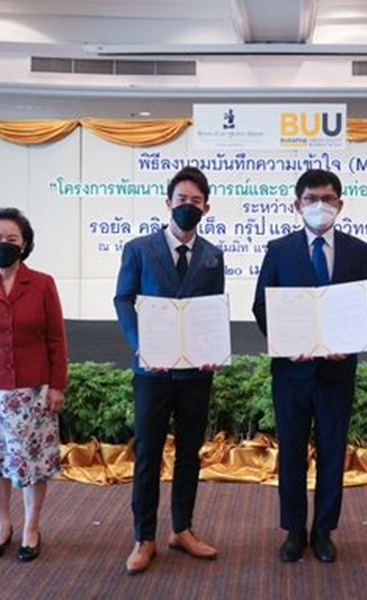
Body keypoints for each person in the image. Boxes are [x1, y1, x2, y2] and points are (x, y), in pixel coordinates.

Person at [252, 169, 367, 564]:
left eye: (327, 198)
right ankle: (294, 531)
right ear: (297, 204)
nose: (319, 206)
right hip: (292, 374)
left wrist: (349, 341)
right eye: (311, 199)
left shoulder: (358, 251)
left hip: (337, 374)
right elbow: (262, 305)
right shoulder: (279, 250)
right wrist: (286, 344)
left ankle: (324, 531)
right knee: (291, 452)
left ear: (340, 204)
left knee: (332, 452)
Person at [114, 166, 225, 575]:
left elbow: (212, 308)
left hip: (196, 373)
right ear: (168, 203)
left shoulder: (213, 255)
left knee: (189, 453)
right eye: (181, 200)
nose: (187, 206)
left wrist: (213, 348)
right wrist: (142, 344)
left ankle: (182, 529)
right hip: (153, 372)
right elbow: (124, 299)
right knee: (148, 454)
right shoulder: (139, 249)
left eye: (196, 201)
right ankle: (144, 537)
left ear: (206, 208)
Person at [0, 207, 68, 563]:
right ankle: (2, 526)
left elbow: (56, 339)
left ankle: (31, 528)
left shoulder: (43, 283)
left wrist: (57, 386)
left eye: (12, 239)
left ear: (25, 244)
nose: (3, 244)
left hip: (33, 392)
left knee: (33, 464)